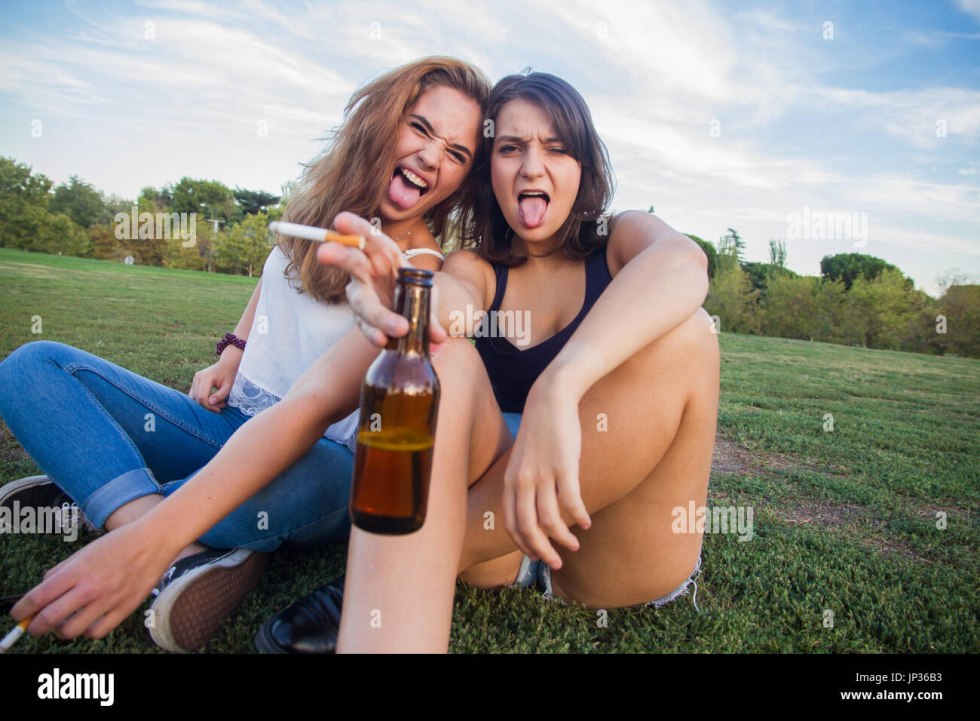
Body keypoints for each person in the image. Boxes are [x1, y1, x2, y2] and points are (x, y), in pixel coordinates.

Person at [0, 56, 489, 652]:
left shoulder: (423, 267)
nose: (432, 157)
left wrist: (398, 294)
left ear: (462, 179)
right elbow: (274, 281)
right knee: (31, 370)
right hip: (235, 424)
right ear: (383, 121)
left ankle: (108, 494)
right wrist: (233, 350)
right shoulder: (316, 210)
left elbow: (450, 308)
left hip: (324, 462)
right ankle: (176, 547)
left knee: (263, 489)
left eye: (456, 153)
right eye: (420, 128)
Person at [266, 70, 720, 653]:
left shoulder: (621, 238)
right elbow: (449, 304)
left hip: (610, 554)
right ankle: (400, 595)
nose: (532, 167)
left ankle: (401, 567)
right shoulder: (476, 268)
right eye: (510, 148)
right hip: (499, 543)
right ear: (490, 171)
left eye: (556, 148)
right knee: (440, 355)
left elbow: (684, 264)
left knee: (688, 334)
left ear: (584, 167)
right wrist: (409, 296)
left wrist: (559, 386)